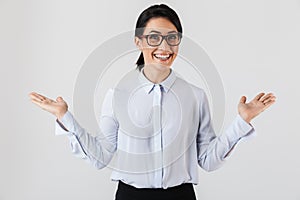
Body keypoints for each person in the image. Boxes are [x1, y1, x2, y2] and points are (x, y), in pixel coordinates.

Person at [29, 4, 276, 200]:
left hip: (181, 196)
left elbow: (209, 160)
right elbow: (100, 156)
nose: (164, 47)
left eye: (172, 38)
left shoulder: (195, 96)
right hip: (130, 196)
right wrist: (64, 117)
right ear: (138, 42)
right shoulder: (118, 95)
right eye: (154, 38)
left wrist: (242, 121)